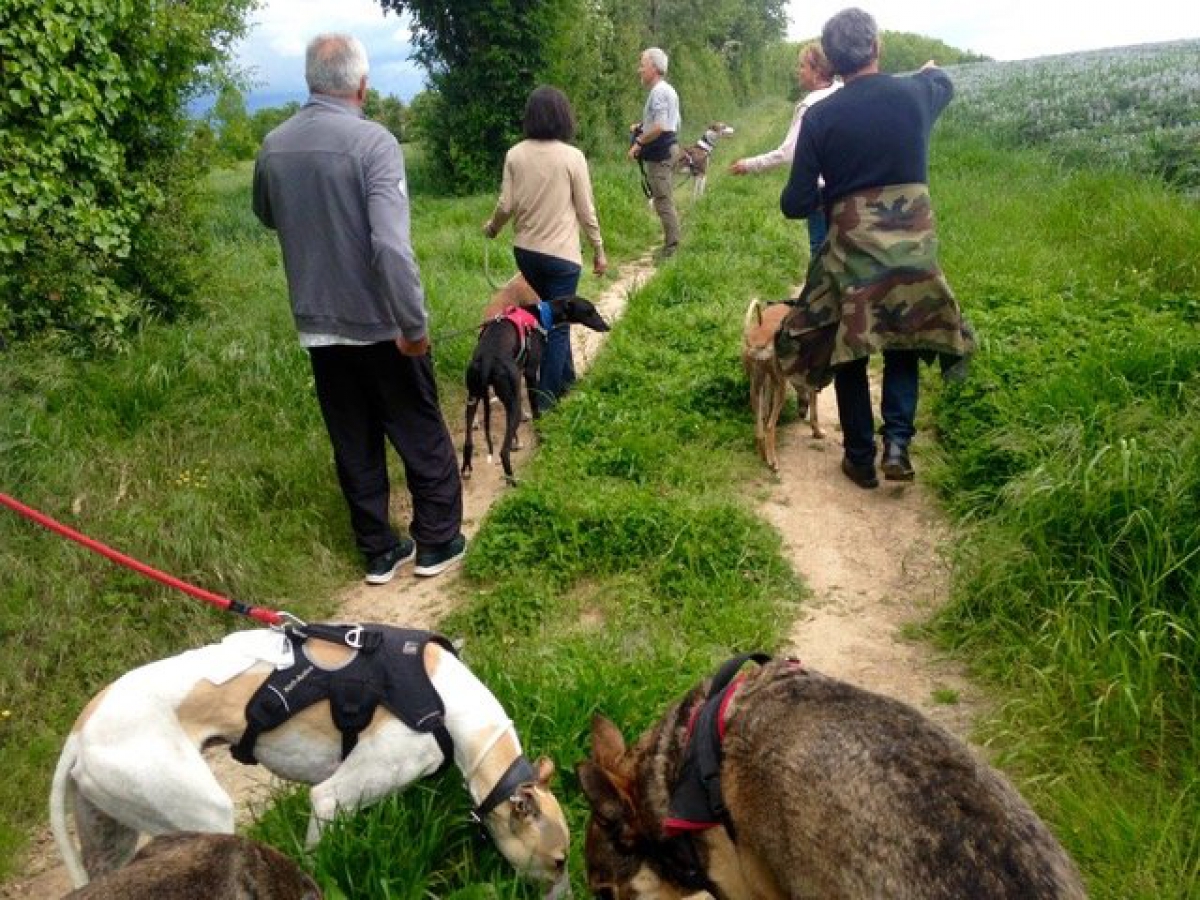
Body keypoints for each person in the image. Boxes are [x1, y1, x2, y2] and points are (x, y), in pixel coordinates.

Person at [252, 33, 466, 583]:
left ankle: (378, 551)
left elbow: (269, 215)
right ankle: (438, 540)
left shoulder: (273, 145)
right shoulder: (375, 143)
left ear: (310, 81)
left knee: (352, 438)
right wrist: (413, 324)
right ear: (362, 86)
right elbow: (390, 246)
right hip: (382, 323)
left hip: (318, 325)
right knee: (418, 428)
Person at [779, 7, 974, 490]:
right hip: (915, 256)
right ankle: (899, 445)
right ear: (877, 47)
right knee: (904, 339)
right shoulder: (916, 94)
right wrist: (926, 71)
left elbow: (794, 203)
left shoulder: (820, 117)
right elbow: (942, 81)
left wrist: (836, 198)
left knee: (850, 346)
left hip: (854, 259)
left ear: (831, 62)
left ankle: (860, 457)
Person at [483, 86, 607, 409]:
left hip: (526, 255)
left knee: (551, 316)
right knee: (559, 327)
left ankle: (567, 382)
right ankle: (546, 403)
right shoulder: (573, 157)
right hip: (562, 257)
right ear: (563, 117)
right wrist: (598, 249)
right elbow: (586, 210)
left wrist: (493, 228)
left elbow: (505, 204)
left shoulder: (514, 154)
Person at [729, 42, 839, 255]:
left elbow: (787, 153)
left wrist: (749, 164)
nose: (798, 71)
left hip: (822, 194)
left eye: (802, 66)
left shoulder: (809, 105)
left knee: (820, 252)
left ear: (817, 71)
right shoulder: (841, 91)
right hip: (847, 189)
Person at [628, 47, 681, 259]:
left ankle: (672, 250)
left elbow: (660, 126)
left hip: (661, 154)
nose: (639, 70)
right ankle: (671, 246)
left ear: (654, 67)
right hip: (667, 150)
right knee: (662, 199)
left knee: (663, 201)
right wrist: (642, 126)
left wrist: (638, 142)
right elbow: (669, 123)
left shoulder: (658, 92)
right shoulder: (668, 90)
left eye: (643, 65)